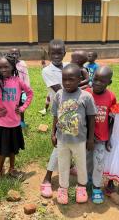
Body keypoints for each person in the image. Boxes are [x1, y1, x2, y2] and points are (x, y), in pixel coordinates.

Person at [51, 63, 97, 204]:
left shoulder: (86, 97)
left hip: (80, 140)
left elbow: (91, 118)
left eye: (71, 79)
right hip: (62, 139)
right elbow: (55, 116)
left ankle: (81, 187)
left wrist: (90, 139)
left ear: (79, 80)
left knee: (81, 164)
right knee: (63, 164)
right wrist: (53, 133)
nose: (67, 82)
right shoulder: (59, 95)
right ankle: (63, 188)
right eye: (64, 79)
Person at [40, 39, 69, 198]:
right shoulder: (47, 71)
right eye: (53, 53)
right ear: (48, 54)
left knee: (74, 141)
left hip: (75, 109)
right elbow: (61, 91)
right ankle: (47, 178)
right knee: (59, 144)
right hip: (60, 111)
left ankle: (69, 166)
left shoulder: (69, 66)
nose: (56, 56)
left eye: (59, 53)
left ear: (65, 53)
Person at [85, 66, 116, 204]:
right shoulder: (85, 93)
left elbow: (112, 119)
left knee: (99, 162)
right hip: (85, 138)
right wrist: (87, 137)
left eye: (102, 81)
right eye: (95, 79)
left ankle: (97, 187)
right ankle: (86, 181)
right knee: (86, 161)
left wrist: (108, 137)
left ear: (109, 82)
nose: (97, 83)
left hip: (101, 139)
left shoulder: (111, 97)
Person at [9, 48, 30, 128]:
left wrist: (26, 91)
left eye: (16, 53)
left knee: (21, 107)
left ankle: (21, 121)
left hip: (21, 91)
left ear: (19, 55)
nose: (14, 55)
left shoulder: (22, 64)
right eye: (12, 54)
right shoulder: (8, 64)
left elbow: (26, 78)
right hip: (11, 91)